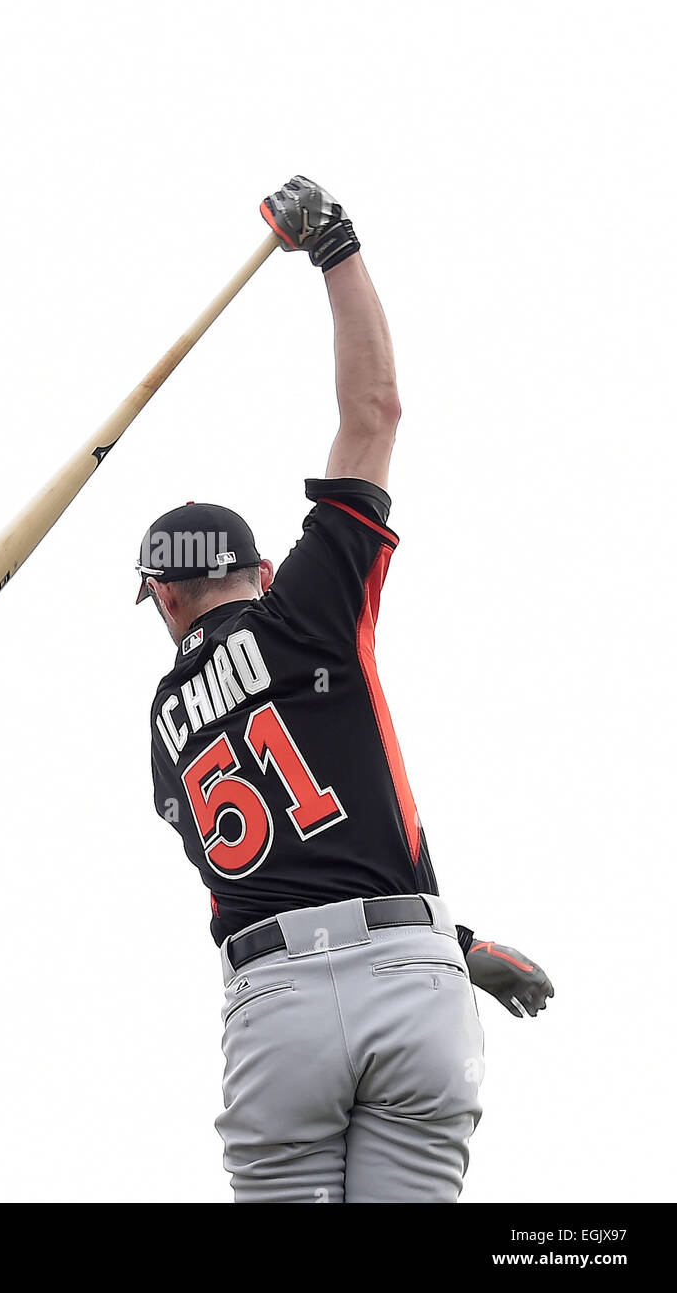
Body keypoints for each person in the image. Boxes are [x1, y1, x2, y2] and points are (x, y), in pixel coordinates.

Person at [137, 175, 553, 1204]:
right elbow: (375, 411)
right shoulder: (307, 605)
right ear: (259, 573)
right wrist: (336, 245)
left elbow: (269, 878)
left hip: (270, 997)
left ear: (158, 597)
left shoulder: (163, 726)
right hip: (409, 973)